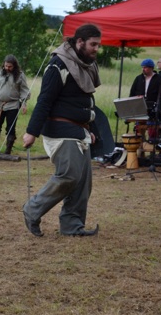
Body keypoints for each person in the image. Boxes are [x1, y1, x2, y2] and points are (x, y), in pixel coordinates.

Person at [22, 24, 102, 237]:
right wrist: (32, 132)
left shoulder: (85, 65)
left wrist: (91, 128)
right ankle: (32, 210)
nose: (96, 49)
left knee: (83, 182)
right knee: (69, 175)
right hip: (60, 129)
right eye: (93, 44)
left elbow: (86, 102)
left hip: (80, 131)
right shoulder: (58, 65)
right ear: (79, 42)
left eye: (98, 45)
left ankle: (71, 225)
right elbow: (45, 100)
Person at [0, 54, 30, 155]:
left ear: (14, 66)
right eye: (6, 66)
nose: (7, 68)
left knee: (10, 128)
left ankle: (8, 150)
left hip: (13, 105)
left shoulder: (20, 75)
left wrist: (24, 104)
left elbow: (24, 91)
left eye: (10, 66)